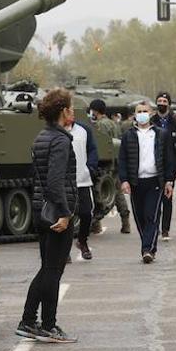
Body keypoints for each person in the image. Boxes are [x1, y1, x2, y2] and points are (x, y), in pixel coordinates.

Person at [18, 89, 79, 343]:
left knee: (46, 269)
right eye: (71, 107)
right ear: (63, 111)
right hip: (56, 213)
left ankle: (29, 321)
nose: (73, 111)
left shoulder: (42, 137)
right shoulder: (61, 140)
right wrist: (65, 214)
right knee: (53, 271)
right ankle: (48, 325)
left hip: (41, 209)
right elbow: (55, 181)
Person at [117, 100, 174, 263]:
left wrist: (169, 180)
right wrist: (124, 180)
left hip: (155, 181)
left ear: (150, 113)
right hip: (136, 182)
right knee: (140, 217)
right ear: (135, 115)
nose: (142, 114)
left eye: (145, 111)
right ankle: (149, 246)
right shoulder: (128, 135)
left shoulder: (161, 134)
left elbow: (168, 159)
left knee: (151, 215)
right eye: (139, 111)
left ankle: (147, 249)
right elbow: (122, 160)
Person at [88, 99, 131, 234]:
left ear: (95, 111)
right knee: (118, 191)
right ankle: (125, 222)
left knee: (102, 192)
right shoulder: (114, 124)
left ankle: (97, 224)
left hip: (107, 161)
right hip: (117, 159)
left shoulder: (100, 125)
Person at [151, 91, 176, 238]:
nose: (162, 104)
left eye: (165, 102)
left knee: (167, 199)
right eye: (159, 101)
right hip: (154, 167)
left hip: (171, 167)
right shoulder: (151, 121)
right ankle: (154, 227)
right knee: (154, 201)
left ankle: (165, 229)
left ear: (169, 105)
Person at [70, 110, 98, 260]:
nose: (71, 113)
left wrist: (90, 168)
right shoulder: (57, 130)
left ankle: (82, 241)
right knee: (66, 216)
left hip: (83, 180)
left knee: (86, 213)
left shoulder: (84, 130)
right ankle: (64, 250)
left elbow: (92, 149)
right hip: (64, 182)